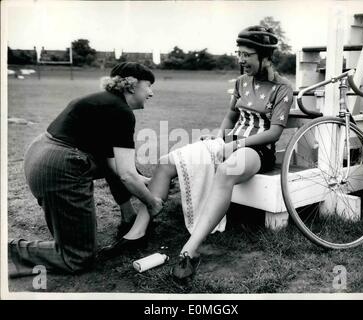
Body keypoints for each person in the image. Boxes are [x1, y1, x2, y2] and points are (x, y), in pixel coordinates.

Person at [103, 25, 294, 280]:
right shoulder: (241, 82)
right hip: (227, 142)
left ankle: (190, 250)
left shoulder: (282, 88)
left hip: (256, 149)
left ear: (265, 56)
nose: (241, 59)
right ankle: (136, 234)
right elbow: (231, 116)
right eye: (240, 53)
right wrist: (218, 137)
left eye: (247, 54)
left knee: (227, 170)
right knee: (166, 162)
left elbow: (274, 133)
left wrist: (235, 145)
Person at [8, 62, 163, 277]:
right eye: (148, 86)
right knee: (77, 258)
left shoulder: (104, 103)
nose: (151, 93)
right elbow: (126, 175)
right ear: (131, 86)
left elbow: (114, 166)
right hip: (59, 166)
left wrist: (142, 181)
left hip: (42, 158)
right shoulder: (121, 112)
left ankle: (127, 218)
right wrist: (152, 202)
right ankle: (8, 254)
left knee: (74, 240)